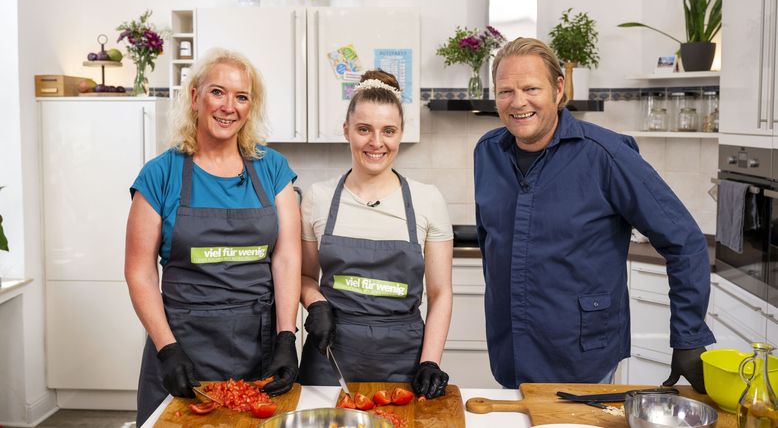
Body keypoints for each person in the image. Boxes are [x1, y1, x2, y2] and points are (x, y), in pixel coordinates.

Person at [474, 38, 715, 392]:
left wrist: (689, 336)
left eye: (531, 88)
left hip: (582, 357)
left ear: (558, 89)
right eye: (505, 91)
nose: (518, 101)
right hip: (510, 348)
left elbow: (685, 240)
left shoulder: (607, 155)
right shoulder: (487, 153)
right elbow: (489, 243)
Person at [125, 48, 301, 425]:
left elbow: (286, 257)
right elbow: (139, 271)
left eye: (242, 96)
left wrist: (287, 337)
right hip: (183, 346)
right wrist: (167, 347)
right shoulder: (161, 174)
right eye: (217, 92)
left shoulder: (272, 169)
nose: (228, 106)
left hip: (260, 347)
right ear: (194, 97)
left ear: (250, 107)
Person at [297, 70, 454, 399]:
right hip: (329, 356)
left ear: (400, 134)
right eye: (364, 129)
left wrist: (430, 361)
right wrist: (316, 305)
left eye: (388, 131)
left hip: (403, 360)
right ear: (346, 131)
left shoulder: (428, 200)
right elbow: (303, 276)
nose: (376, 142)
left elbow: (440, 294)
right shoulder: (318, 197)